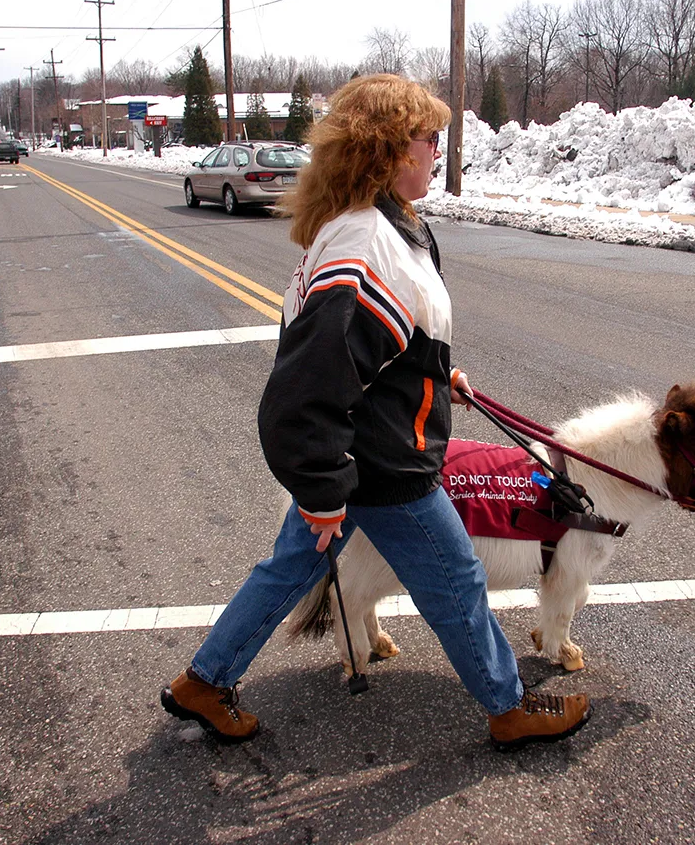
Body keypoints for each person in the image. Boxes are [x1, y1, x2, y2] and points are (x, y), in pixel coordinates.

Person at [159, 74, 591, 750]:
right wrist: (326, 488)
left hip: (358, 453)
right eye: (428, 138)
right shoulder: (368, 248)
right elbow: (307, 391)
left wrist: (430, 368)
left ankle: (204, 683)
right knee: (456, 579)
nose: (437, 150)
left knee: (288, 572)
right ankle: (507, 706)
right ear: (389, 149)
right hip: (379, 466)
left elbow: (374, 347)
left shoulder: (386, 227)